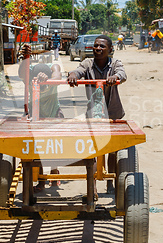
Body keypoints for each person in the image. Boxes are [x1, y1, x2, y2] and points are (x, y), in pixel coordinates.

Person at [67, 34, 127, 194]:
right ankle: (92, 186)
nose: (98, 49)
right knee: (93, 150)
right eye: (96, 46)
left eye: (102, 46)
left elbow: (122, 74)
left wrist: (115, 77)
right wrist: (73, 75)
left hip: (112, 113)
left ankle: (110, 183)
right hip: (93, 114)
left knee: (112, 151)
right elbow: (78, 71)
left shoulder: (115, 64)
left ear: (110, 50)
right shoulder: (88, 63)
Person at [18, 44, 63, 192]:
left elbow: (58, 75)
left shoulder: (52, 67)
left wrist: (47, 82)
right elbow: (21, 73)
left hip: (53, 113)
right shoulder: (29, 74)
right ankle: (41, 182)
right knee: (38, 148)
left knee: (54, 146)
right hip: (36, 113)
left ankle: (54, 174)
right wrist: (24, 57)